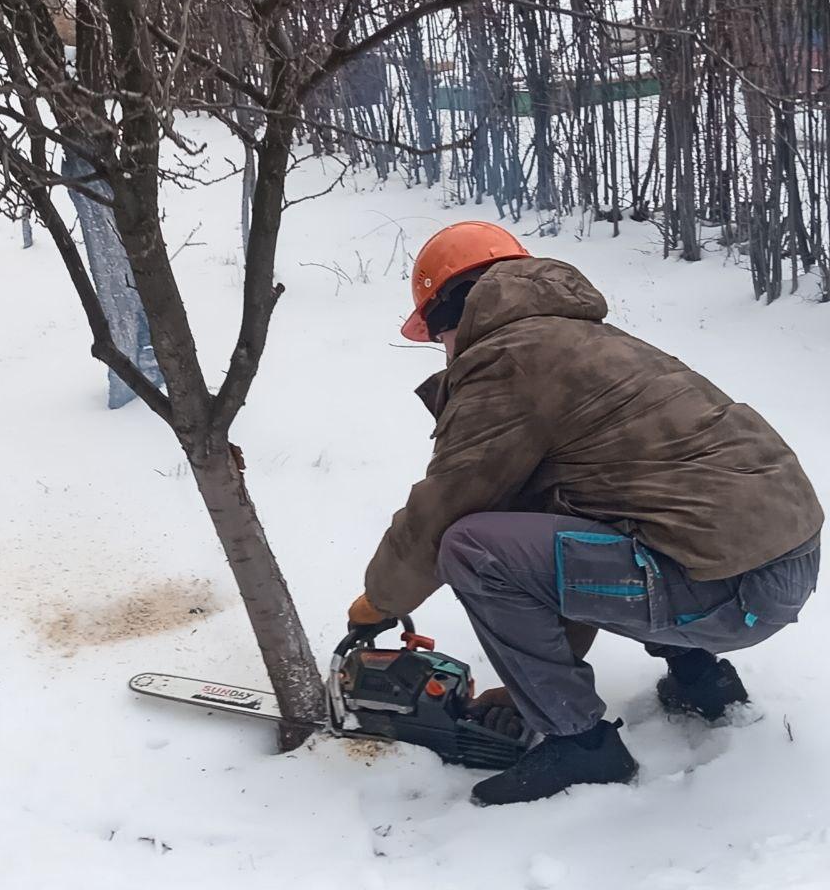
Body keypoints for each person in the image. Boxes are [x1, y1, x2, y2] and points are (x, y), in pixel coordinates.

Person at [347, 221, 822, 807]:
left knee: (472, 547)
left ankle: (584, 747)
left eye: (435, 334)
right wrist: (533, 684)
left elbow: (444, 507)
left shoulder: (510, 360)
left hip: (724, 587)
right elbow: (571, 536)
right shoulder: (589, 342)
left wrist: (380, 601)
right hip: (779, 563)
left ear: (451, 311)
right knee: (630, 509)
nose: (441, 349)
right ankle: (704, 683)